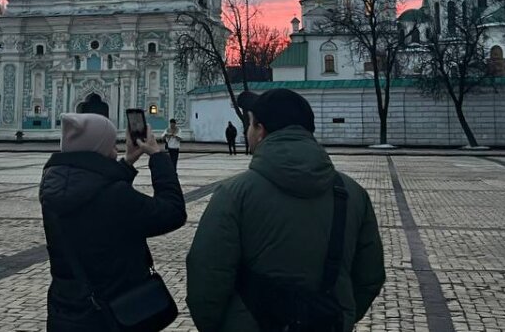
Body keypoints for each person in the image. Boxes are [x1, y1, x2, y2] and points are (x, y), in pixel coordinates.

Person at [187, 89, 385, 332]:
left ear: (260, 130)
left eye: (249, 124)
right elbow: (369, 277)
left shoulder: (234, 195)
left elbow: (207, 278)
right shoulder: (352, 194)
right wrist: (337, 316)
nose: (247, 131)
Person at [40, 113, 186, 331]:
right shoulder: (115, 197)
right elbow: (172, 212)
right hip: (112, 314)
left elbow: (94, 192)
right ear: (100, 148)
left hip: (67, 312)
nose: (115, 149)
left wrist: (127, 163)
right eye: (111, 144)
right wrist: (157, 156)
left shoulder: (53, 188)